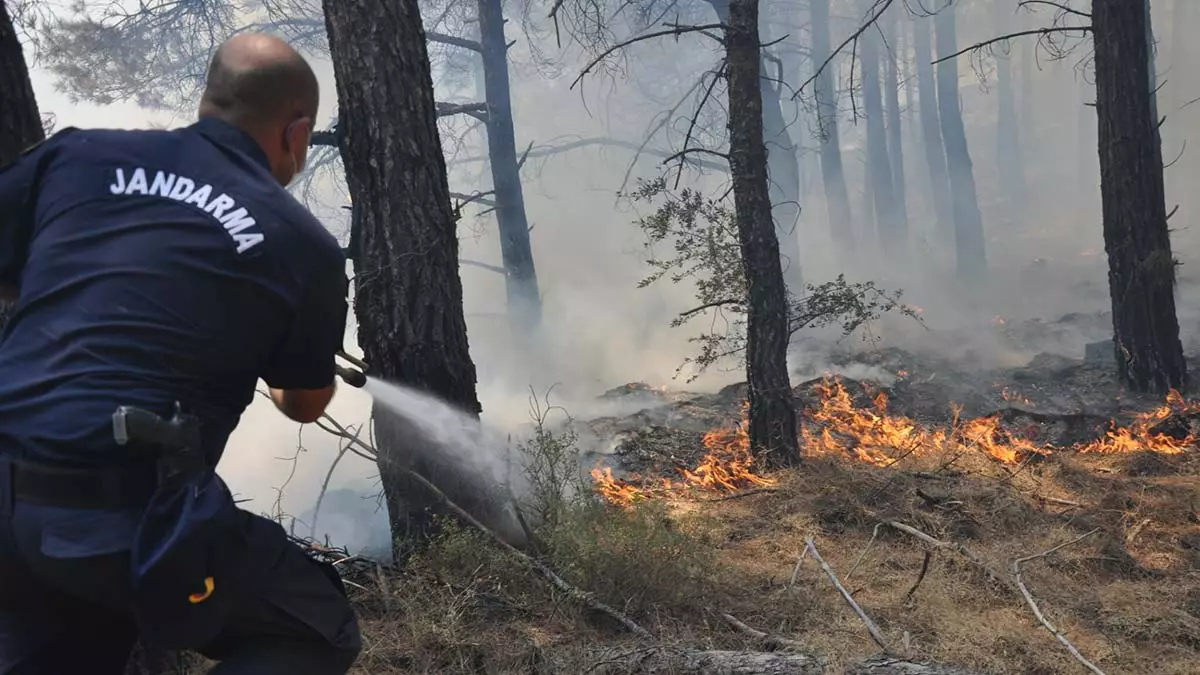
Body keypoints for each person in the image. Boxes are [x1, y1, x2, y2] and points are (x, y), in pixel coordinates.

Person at [0, 33, 361, 674]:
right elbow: (304, 403)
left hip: (9, 490)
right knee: (318, 630)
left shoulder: (77, 154)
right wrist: (277, 369)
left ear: (208, 101)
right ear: (297, 130)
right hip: (113, 518)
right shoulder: (299, 242)